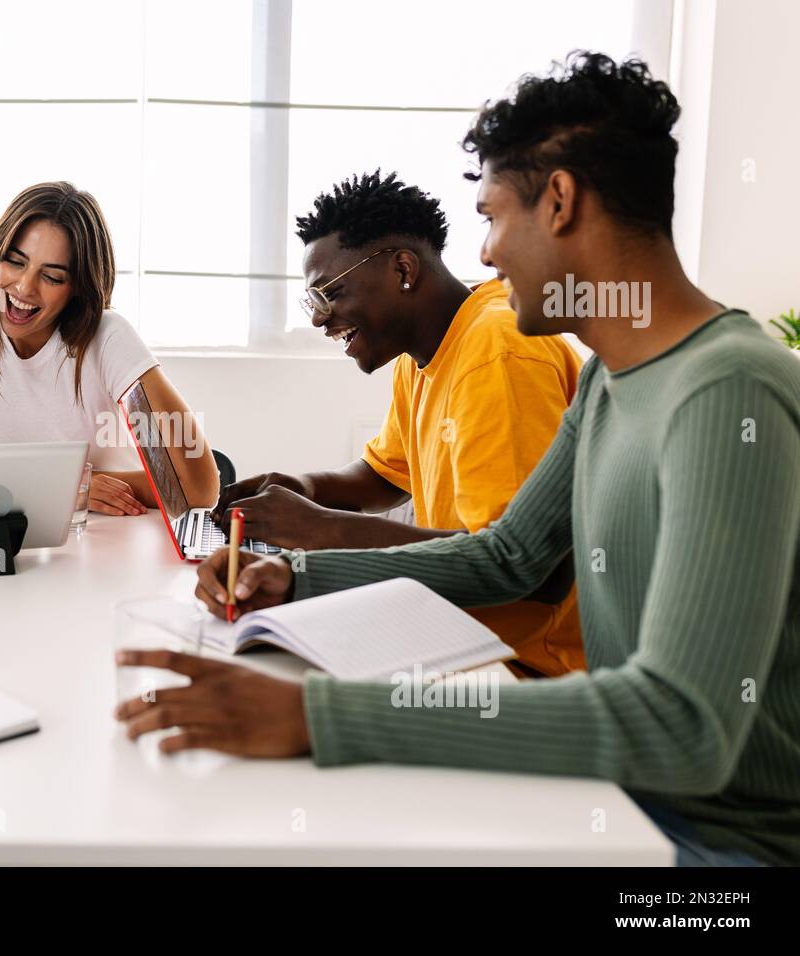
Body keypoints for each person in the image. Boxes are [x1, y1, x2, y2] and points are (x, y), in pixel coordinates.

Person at [117, 53, 800, 867]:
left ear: (560, 203)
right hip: (617, 804)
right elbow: (508, 556)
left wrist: (317, 719)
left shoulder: (729, 392)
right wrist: (297, 578)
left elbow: (682, 726)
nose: (484, 254)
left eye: (491, 216)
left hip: (717, 856)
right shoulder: (613, 387)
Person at [214, 170, 584, 677]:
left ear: (403, 269)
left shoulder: (498, 352)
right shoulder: (424, 353)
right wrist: (300, 488)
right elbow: (382, 476)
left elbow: (524, 570)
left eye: (329, 294)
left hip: (523, 665)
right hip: (458, 629)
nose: (320, 319)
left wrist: (320, 529)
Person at [0, 181, 218, 517]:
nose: (23, 287)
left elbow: (198, 487)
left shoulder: (108, 337)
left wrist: (82, 485)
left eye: (51, 276)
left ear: (77, 287)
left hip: (111, 528)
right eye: (15, 262)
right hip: (24, 524)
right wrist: (58, 484)